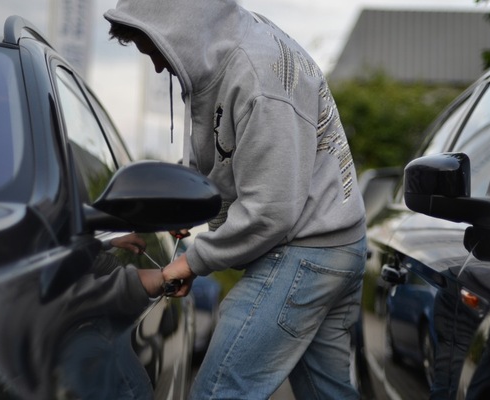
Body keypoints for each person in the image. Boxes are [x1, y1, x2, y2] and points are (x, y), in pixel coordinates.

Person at [105, 1, 367, 399]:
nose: (159, 66)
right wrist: (191, 203)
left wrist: (192, 261)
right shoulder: (226, 51)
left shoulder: (259, 77)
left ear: (180, 26)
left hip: (305, 251)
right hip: (333, 242)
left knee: (219, 392)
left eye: (155, 49)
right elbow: (237, 154)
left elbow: (271, 211)